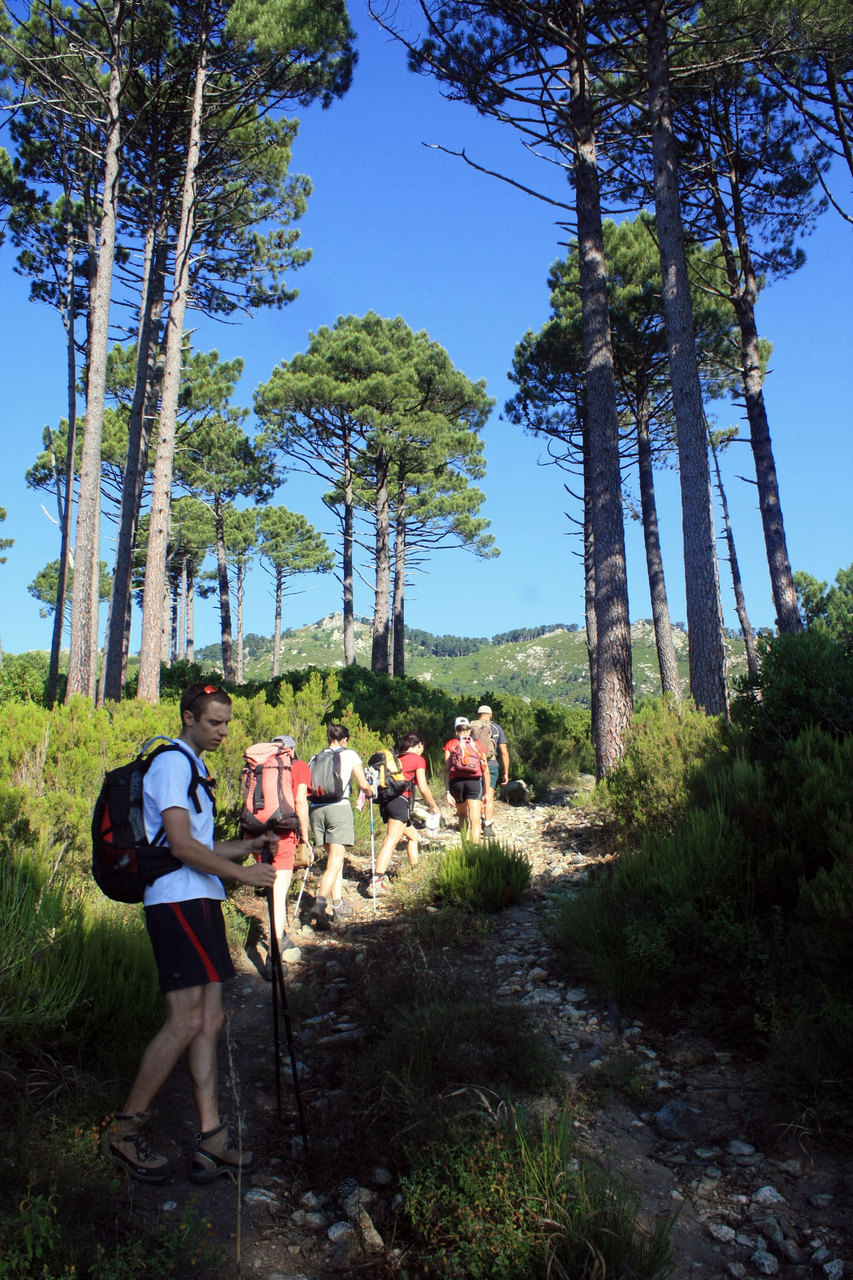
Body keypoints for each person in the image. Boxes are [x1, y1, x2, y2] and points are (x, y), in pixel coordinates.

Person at [108, 681, 278, 1186]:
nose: (223, 731)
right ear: (188, 717)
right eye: (213, 723)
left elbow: (199, 845)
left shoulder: (195, 767)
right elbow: (180, 847)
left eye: (226, 722)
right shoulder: (172, 763)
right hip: (177, 903)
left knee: (210, 1019)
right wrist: (244, 875)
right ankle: (124, 1131)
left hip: (200, 900)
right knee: (185, 1022)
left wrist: (247, 846)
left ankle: (211, 1138)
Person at [308, 723, 375, 930]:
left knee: (332, 861)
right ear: (344, 739)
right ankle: (320, 904)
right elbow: (363, 784)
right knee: (336, 861)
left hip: (316, 809)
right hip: (338, 808)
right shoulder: (350, 755)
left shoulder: (316, 757)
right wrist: (371, 790)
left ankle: (337, 905)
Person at [262, 736, 312, 980]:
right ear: (292, 749)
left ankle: (279, 933)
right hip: (284, 834)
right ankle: (274, 954)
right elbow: (301, 801)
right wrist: (305, 838)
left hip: (256, 833)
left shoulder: (261, 765)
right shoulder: (299, 765)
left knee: (272, 889)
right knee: (279, 891)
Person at [371, 733, 441, 895]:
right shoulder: (418, 759)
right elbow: (423, 787)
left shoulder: (397, 759)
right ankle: (376, 880)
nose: (422, 750)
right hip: (400, 802)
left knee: (413, 836)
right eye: (422, 747)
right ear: (419, 745)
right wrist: (434, 807)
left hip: (388, 802)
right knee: (391, 839)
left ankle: (416, 871)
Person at [443, 716, 488, 843]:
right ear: (469, 730)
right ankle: (474, 847)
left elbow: (447, 769)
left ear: (456, 731)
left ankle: (464, 844)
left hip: (456, 783)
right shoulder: (477, 744)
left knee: (462, 815)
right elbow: (486, 770)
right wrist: (486, 792)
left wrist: (447, 791)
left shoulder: (450, 744)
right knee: (475, 817)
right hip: (474, 782)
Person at [469, 704, 510, 833]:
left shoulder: (469, 727)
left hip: (473, 765)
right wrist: (506, 773)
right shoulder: (496, 728)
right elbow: (504, 752)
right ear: (490, 715)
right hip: (491, 764)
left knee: (477, 795)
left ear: (478, 715)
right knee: (489, 794)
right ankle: (487, 825)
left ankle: (478, 819)